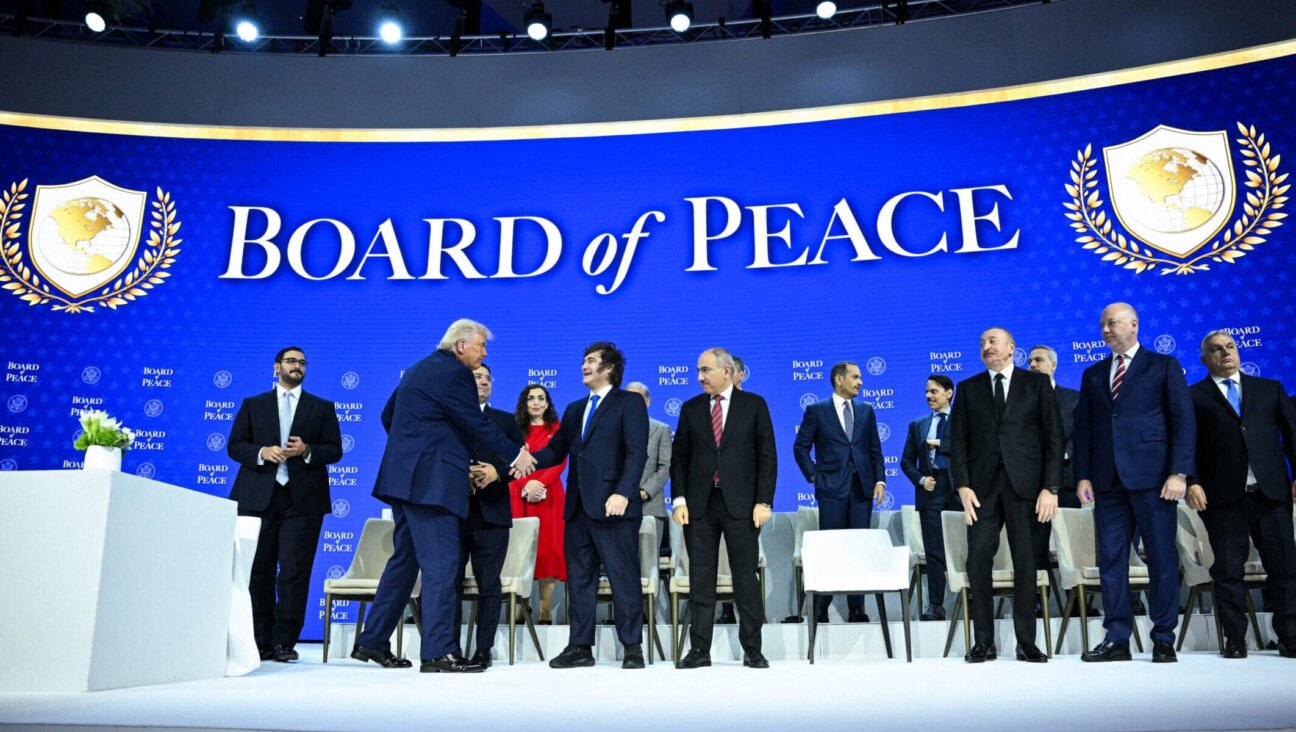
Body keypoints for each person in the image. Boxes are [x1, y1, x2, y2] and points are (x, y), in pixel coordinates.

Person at [352, 319, 533, 673]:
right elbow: (474, 423)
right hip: (432, 485)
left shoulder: (420, 369)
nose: (484, 354)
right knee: (442, 565)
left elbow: (389, 415)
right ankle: (437, 652)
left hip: (406, 480)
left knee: (405, 562)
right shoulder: (455, 374)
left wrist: (417, 448)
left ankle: (371, 641)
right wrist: (515, 455)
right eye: (481, 346)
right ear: (461, 345)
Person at [1074, 302, 1194, 663]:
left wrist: (1179, 473)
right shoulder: (1093, 374)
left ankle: (1163, 637)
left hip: (1155, 480)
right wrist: (1081, 474)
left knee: (1160, 558)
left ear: (1134, 325)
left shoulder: (1164, 365)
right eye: (1102, 325)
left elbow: (1183, 422)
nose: (1106, 330)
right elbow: (1084, 430)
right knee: (1111, 561)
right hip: (1108, 483)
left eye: (1112, 323)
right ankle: (1117, 639)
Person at [531, 342, 650, 670]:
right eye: (583, 360)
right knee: (579, 580)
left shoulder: (629, 402)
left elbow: (637, 452)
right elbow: (555, 451)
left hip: (615, 507)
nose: (584, 365)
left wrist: (624, 493)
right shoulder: (573, 409)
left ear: (608, 368)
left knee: (623, 577)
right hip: (578, 509)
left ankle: (632, 647)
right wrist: (525, 459)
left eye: (591, 361)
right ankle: (580, 647)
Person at [950, 328, 1063, 663]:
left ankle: (1026, 641)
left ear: (1011, 348)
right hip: (981, 491)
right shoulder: (969, 389)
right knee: (978, 559)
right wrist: (962, 485)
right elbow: (957, 441)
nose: (986, 347)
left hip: (1027, 488)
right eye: (982, 343)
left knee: (1027, 563)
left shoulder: (1036, 384)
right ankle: (984, 641)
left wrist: (1050, 487)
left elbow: (1054, 438)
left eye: (992, 342)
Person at [227, 346, 343, 663]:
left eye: (303, 363)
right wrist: (261, 452)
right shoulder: (254, 405)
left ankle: (284, 642)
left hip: (303, 499)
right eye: (292, 361)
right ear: (277, 367)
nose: (298, 366)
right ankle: (260, 640)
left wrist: (307, 450)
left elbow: (334, 451)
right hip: (256, 498)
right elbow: (234, 445)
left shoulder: (321, 407)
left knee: (294, 572)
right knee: (258, 571)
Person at [1186, 330, 1296, 659]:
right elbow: (1187, 444)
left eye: (1230, 347)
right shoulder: (1193, 396)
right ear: (1205, 359)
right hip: (1223, 499)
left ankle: (1290, 638)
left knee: (1285, 569)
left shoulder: (1269, 389)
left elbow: (1292, 435)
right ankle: (1235, 639)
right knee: (1228, 571)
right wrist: (1192, 480)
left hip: (1270, 495)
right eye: (1216, 350)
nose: (1226, 353)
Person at [671, 347, 776, 669]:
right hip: (700, 505)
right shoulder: (690, 409)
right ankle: (699, 650)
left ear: (726, 372)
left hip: (742, 506)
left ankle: (753, 650)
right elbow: (680, 459)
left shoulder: (754, 405)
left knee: (745, 578)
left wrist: (764, 501)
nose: (700, 377)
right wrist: (679, 499)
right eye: (699, 371)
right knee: (701, 580)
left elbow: (766, 457)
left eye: (705, 370)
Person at [793, 361, 886, 624]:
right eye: (855, 377)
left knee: (859, 549)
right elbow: (800, 448)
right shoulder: (817, 410)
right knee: (831, 550)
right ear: (839, 379)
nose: (860, 382)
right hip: (831, 489)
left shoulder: (867, 410)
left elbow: (874, 450)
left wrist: (880, 480)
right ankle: (822, 606)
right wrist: (814, 476)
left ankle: (856, 608)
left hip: (861, 490)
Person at [456, 363, 525, 668]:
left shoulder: (506, 421)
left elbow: (520, 463)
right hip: (454, 512)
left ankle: (483, 650)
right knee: (449, 585)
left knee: (489, 584)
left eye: (487, 378)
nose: (483, 382)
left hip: (493, 514)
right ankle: (449, 649)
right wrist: (462, 475)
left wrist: (497, 472)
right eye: (476, 377)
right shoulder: (451, 416)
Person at [1026, 345, 1082, 615]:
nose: (1033, 364)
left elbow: (1083, 438)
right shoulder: (1020, 401)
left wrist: (1064, 453)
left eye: (1039, 360)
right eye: (1029, 361)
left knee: (1070, 545)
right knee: (1036, 545)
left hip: (1068, 482)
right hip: (1032, 485)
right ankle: (1039, 600)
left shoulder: (1073, 399)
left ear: (1053, 365)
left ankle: (1077, 600)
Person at [899, 375, 960, 621]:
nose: (928, 396)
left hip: (960, 490)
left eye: (934, 391)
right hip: (931, 489)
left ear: (949, 393)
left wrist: (942, 444)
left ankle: (974, 598)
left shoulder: (964, 422)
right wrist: (921, 479)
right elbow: (905, 461)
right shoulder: (918, 425)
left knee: (967, 548)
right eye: (926, 392)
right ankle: (936, 604)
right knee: (934, 551)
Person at [509, 383, 568, 624]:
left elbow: (559, 461)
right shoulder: (514, 430)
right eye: (531, 398)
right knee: (520, 551)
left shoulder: (557, 428)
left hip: (549, 495)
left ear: (547, 403)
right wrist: (526, 485)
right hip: (518, 492)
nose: (536, 402)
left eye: (541, 398)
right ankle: (520, 607)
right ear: (524, 403)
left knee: (548, 550)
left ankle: (544, 610)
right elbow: (508, 460)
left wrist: (539, 485)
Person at [625, 382, 672, 554]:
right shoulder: (613, 430)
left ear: (648, 401)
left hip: (650, 508)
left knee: (648, 564)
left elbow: (665, 466)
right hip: (618, 508)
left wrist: (644, 492)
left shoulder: (661, 430)